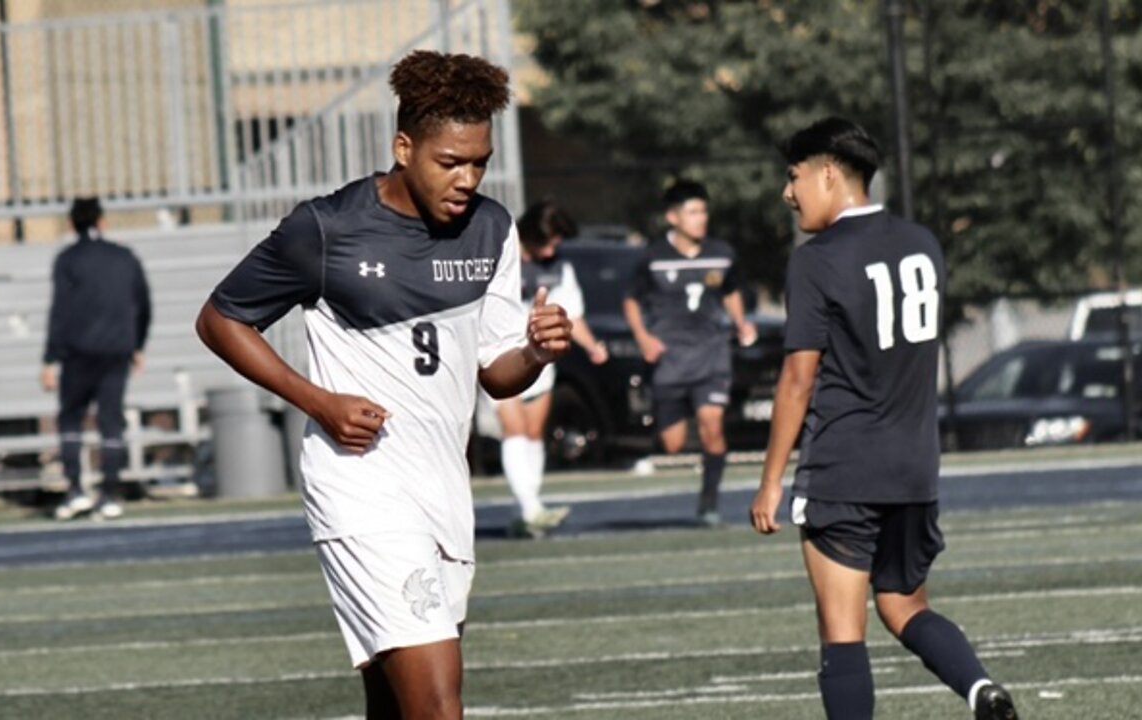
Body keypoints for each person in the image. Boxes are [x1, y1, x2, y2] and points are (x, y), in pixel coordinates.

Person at [195, 50, 572, 719]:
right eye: (449, 162)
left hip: (444, 491)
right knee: (437, 703)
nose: (467, 178)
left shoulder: (491, 229)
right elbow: (221, 319)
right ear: (404, 147)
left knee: (396, 703)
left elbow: (496, 375)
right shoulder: (328, 227)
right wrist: (319, 402)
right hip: (362, 489)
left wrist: (536, 354)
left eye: (479, 162)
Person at [750, 117, 1018, 720]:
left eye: (793, 178)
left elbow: (799, 378)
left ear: (826, 173)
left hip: (846, 468)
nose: (787, 193)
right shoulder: (923, 242)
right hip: (915, 468)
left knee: (843, 635)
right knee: (903, 606)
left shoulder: (816, 260)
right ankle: (980, 689)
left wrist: (771, 479)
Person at [623, 180, 757, 526]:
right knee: (673, 444)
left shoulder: (722, 253)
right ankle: (667, 419)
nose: (701, 218)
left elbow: (730, 291)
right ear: (673, 217)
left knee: (713, 426)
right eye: (693, 211)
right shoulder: (652, 257)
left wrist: (741, 323)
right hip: (669, 360)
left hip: (712, 355)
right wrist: (644, 338)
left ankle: (709, 503)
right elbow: (631, 300)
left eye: (704, 211)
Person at [492, 201, 609, 539]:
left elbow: (572, 314)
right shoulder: (500, 256)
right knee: (513, 429)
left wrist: (591, 346)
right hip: (501, 357)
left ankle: (525, 510)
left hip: (540, 361)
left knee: (532, 432)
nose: (553, 247)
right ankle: (531, 508)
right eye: (549, 239)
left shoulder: (560, 268)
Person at [43, 197, 152, 521]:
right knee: (110, 422)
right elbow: (144, 305)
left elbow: (59, 311)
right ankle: (109, 495)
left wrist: (50, 359)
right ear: (102, 222)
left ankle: (76, 490)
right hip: (115, 352)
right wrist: (138, 345)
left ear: (71, 224)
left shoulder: (67, 259)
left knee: (71, 419)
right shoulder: (124, 257)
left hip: (77, 354)